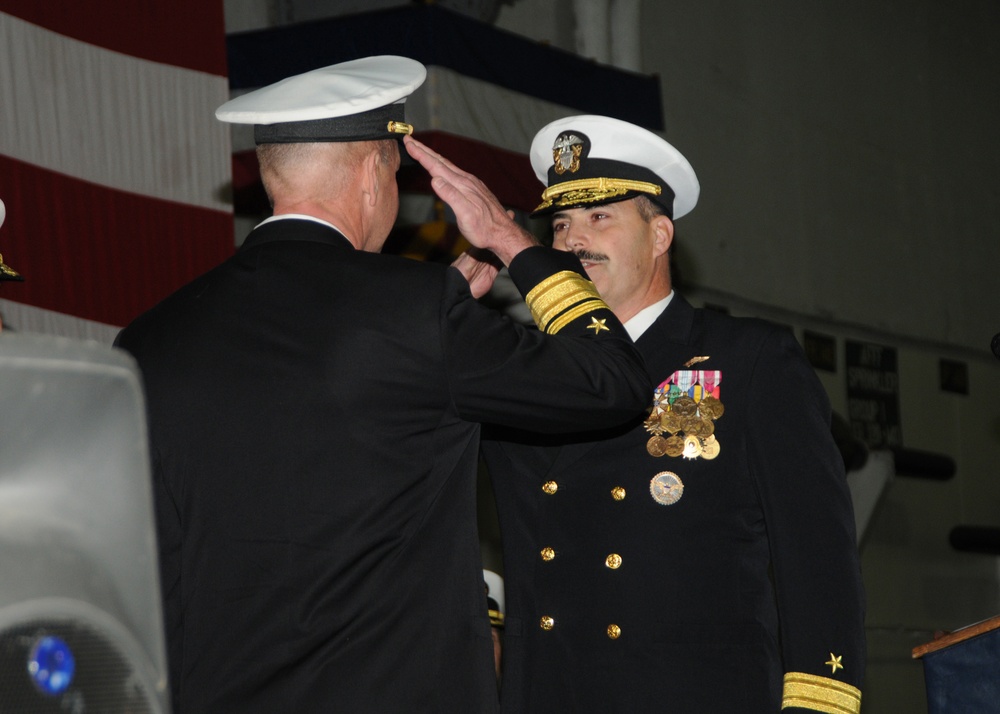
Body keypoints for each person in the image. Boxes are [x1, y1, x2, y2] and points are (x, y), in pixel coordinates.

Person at [114, 60, 652, 713]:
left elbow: (148, 560)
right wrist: (514, 245)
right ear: (373, 174)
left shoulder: (151, 338)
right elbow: (613, 382)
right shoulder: (419, 312)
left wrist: (437, 316)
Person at [481, 115, 866, 713]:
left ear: (660, 236)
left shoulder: (749, 359)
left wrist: (822, 701)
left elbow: (816, 553)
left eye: (599, 218)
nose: (572, 241)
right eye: (560, 224)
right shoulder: (523, 371)